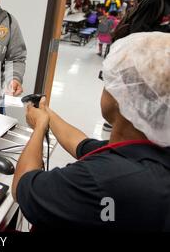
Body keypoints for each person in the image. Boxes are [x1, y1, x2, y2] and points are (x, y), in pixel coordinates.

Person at [12, 32, 170, 231]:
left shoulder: (103, 179)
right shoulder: (147, 149)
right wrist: (47, 114)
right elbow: (81, 144)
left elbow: (21, 187)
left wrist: (39, 129)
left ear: (123, 96)